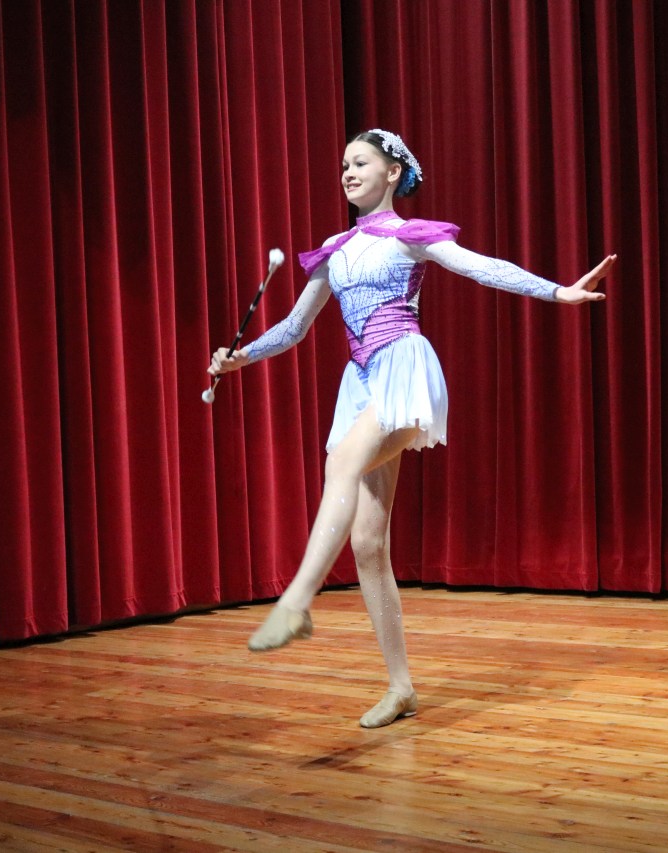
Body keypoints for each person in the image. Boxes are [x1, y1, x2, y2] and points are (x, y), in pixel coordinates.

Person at [208, 129, 615, 728]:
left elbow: (483, 268)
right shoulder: (335, 249)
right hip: (361, 382)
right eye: (343, 164)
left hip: (402, 367)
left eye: (361, 162)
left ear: (393, 172)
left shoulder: (410, 236)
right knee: (368, 545)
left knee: (341, 463)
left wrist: (558, 292)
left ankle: (297, 600)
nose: (348, 172)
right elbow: (295, 327)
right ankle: (401, 688)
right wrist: (241, 358)